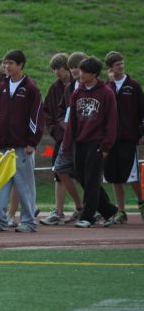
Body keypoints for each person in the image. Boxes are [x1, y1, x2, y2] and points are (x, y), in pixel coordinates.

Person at [61, 57, 119, 228]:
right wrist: (66, 144)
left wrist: (106, 145)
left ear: (94, 74)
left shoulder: (106, 93)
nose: (80, 74)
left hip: (97, 142)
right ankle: (108, 209)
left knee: (92, 179)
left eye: (84, 71)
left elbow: (112, 121)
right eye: (80, 70)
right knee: (82, 177)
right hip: (79, 142)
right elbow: (71, 120)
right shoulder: (77, 92)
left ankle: (88, 216)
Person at [0, 50, 42, 233]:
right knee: (0, 184)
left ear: (20, 65)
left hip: (22, 145)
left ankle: (28, 221)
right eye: (5, 63)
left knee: (24, 185)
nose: (7, 66)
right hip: (2, 145)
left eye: (11, 63)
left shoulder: (31, 88)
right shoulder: (2, 86)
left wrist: (32, 142)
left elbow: (35, 116)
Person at [40, 53, 83, 225]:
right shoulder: (55, 88)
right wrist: (55, 131)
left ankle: (89, 208)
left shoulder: (78, 86)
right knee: (59, 172)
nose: (57, 72)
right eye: (54, 69)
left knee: (83, 174)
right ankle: (59, 211)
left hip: (80, 138)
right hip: (62, 138)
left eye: (60, 68)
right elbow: (49, 112)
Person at [103, 51, 144, 224]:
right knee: (114, 176)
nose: (121, 66)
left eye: (122, 62)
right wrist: (111, 85)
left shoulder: (133, 86)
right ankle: (121, 211)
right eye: (117, 64)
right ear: (110, 68)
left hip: (128, 137)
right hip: (111, 139)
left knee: (132, 176)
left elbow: (142, 111)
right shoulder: (106, 86)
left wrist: (141, 133)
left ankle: (142, 204)